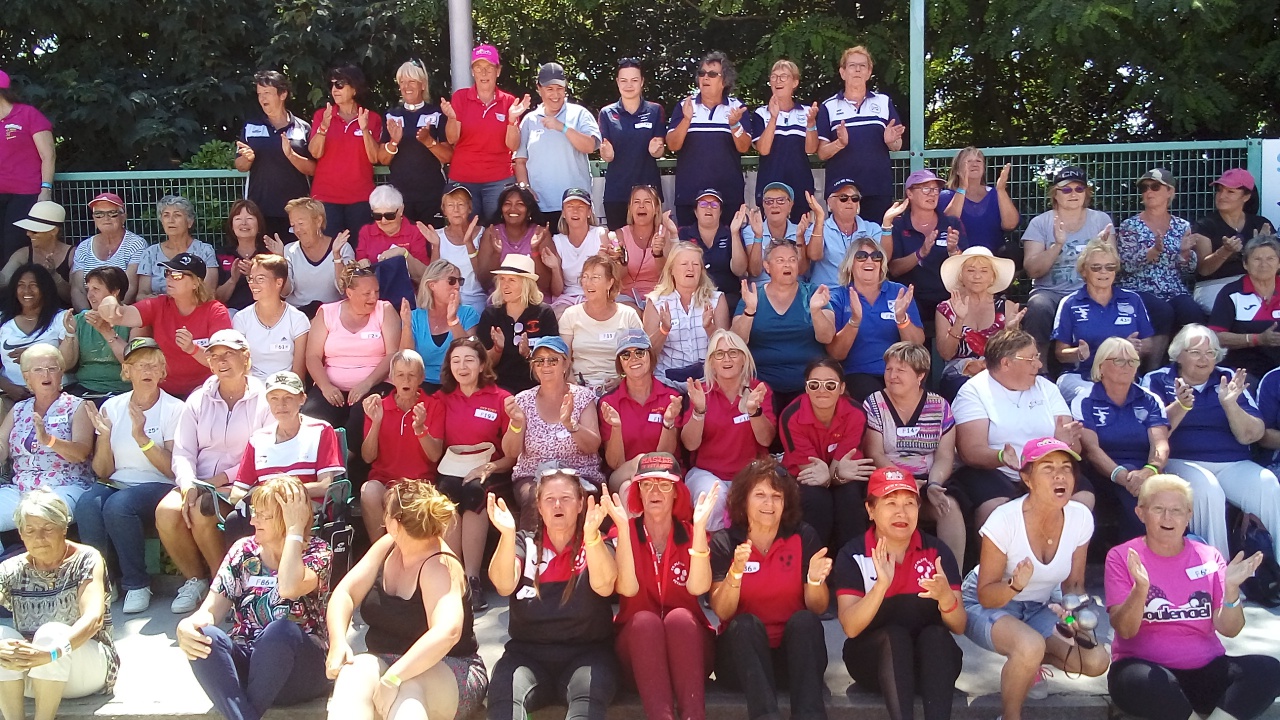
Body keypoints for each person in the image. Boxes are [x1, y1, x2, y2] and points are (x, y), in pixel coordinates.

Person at [1105, 474, 1280, 720]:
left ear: (1188, 516)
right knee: (1141, 681)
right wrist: (1140, 589)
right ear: (1141, 513)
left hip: (1206, 670)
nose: (1168, 518)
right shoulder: (1122, 556)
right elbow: (1125, 630)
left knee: (1269, 669)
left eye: (1177, 510)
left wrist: (1231, 590)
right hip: (1146, 670)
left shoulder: (1209, 556)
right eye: (1159, 509)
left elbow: (1230, 630)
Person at [961, 437, 1110, 720]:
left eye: (1066, 468)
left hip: (1040, 605)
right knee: (1029, 645)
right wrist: (1016, 584)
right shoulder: (1004, 520)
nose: (1060, 475)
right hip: (989, 604)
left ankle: (1027, 666)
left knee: (1094, 659)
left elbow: (1074, 586)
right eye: (1048, 468)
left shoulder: (1080, 516)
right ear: (1026, 478)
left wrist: (1074, 618)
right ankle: (1010, 716)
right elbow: (986, 594)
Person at [326, 480, 487, 720]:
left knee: (409, 690)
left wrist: (394, 677)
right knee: (352, 675)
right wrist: (338, 642)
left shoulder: (440, 565)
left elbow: (447, 632)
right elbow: (345, 592)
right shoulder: (388, 545)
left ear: (394, 523)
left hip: (450, 667)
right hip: (386, 660)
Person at [177, 476, 332, 720]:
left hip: (300, 669)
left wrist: (294, 532)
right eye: (253, 512)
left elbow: (289, 587)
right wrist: (188, 626)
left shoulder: (317, 552)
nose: (252, 521)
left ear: (290, 517)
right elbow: (211, 610)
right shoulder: (243, 551)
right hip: (252, 664)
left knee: (280, 631)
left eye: (263, 515)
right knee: (205, 637)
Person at [832, 466, 965, 720]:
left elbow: (959, 626)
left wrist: (946, 598)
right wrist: (880, 586)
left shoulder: (937, 552)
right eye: (890, 502)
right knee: (894, 637)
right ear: (871, 510)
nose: (901, 512)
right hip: (873, 663)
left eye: (909, 503)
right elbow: (850, 627)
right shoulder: (854, 554)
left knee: (937, 636)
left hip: (931, 665)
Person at [485, 470, 619, 720]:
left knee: (586, 705)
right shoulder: (523, 543)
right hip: (526, 654)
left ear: (580, 504)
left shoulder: (596, 542)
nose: (558, 505)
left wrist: (591, 538)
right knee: (503, 697)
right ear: (538, 505)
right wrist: (506, 535)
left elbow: (605, 586)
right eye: (549, 499)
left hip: (588, 654)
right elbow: (503, 585)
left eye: (566, 498)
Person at [1143, 323, 1280, 560]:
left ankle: (1276, 569)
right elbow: (1148, 432)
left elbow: (1252, 434)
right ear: (1178, 355)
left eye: (1210, 353)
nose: (1204, 359)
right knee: (1207, 490)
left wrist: (1230, 405)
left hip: (1232, 462)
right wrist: (1181, 406)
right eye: (1195, 352)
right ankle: (1219, 574)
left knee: (1267, 484)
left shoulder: (1229, 379)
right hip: (1180, 460)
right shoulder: (1156, 380)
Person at [159, 329, 271, 614]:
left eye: (229, 354)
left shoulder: (264, 397)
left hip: (243, 482)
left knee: (202, 511)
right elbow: (183, 451)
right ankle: (195, 580)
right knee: (167, 511)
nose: (221, 361)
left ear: (245, 358)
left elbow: (263, 450)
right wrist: (188, 485)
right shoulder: (198, 399)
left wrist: (219, 480)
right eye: (214, 355)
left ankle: (221, 588)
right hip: (199, 481)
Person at [709, 457, 830, 720]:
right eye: (760, 495)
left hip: (794, 662)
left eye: (776, 496)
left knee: (805, 621)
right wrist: (735, 573)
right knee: (744, 624)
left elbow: (818, 607)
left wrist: (814, 581)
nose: (769, 503)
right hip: (743, 662)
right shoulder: (725, 542)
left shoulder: (803, 536)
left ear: (786, 502)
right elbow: (722, 610)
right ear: (744, 500)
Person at [75, 338, 185, 614]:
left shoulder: (175, 409)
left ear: (163, 371)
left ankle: (137, 584)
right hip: (118, 482)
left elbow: (174, 469)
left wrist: (141, 437)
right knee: (88, 503)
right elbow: (103, 471)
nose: (146, 370)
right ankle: (103, 582)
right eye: (139, 365)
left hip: (159, 485)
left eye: (153, 364)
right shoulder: (111, 408)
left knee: (119, 505)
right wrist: (105, 437)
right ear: (126, 371)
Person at [610, 453, 717, 720]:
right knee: (645, 621)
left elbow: (698, 588)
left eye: (664, 485)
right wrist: (623, 532)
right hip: (639, 649)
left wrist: (701, 527)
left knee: (680, 617)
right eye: (647, 485)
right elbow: (627, 589)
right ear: (638, 492)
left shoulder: (693, 534)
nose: (655, 491)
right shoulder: (621, 533)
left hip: (689, 647)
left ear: (677, 494)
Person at [952, 328, 1088, 530]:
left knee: (1082, 497)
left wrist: (1062, 444)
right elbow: (970, 452)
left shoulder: (1046, 388)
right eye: (1031, 358)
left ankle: (1062, 558)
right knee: (996, 507)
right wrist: (1000, 457)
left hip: (1046, 467)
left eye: (1038, 357)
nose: (1039, 365)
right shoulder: (974, 391)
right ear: (1006, 363)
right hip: (994, 471)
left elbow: (1074, 447)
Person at [0, 489, 117, 712]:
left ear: (64, 529)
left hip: (85, 670)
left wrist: (51, 653)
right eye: (30, 531)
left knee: (51, 633)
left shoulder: (86, 558)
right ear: (21, 535)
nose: (39, 539)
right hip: (33, 669)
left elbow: (94, 618)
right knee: (3, 640)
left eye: (47, 529)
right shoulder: (11, 568)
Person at [421, 338, 515, 609]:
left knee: (474, 490)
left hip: (494, 470)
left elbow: (512, 455)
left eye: (469, 360)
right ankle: (454, 576)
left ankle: (472, 578)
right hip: (452, 469)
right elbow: (436, 450)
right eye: (456, 360)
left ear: (482, 364)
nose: (462, 366)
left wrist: (491, 467)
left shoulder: (501, 398)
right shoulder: (441, 399)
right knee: (448, 492)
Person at [862, 343, 966, 564]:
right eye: (889, 369)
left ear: (920, 375)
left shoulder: (940, 407)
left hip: (929, 481)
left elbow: (945, 456)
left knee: (949, 507)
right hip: (889, 479)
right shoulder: (874, 403)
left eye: (901, 370)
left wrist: (934, 485)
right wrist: (906, 483)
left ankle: (952, 578)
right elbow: (875, 453)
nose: (892, 376)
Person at [1073, 337, 1170, 541]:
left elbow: (1160, 444)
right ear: (1101, 366)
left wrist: (1149, 470)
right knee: (1136, 493)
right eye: (1119, 360)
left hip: (1144, 472)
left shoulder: (1150, 399)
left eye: (1132, 361)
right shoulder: (1085, 398)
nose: (1127, 366)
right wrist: (1124, 476)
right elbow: (1092, 449)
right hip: (1102, 472)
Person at [97, 252, 233, 398]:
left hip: (205, 390)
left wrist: (192, 349)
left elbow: (221, 360)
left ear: (196, 283)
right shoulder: (159, 304)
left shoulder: (215, 311)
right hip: (163, 392)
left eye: (177, 275)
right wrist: (109, 301)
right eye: (167, 273)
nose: (169, 278)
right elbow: (121, 315)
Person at [502, 337, 603, 529]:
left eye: (552, 360)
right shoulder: (523, 400)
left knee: (572, 496)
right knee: (537, 496)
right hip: (532, 475)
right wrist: (516, 423)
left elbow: (592, 446)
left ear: (565, 363)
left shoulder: (582, 397)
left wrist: (570, 424)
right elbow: (511, 452)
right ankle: (532, 553)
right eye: (539, 361)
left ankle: (579, 554)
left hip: (579, 474)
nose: (545, 365)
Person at [681, 330, 775, 530]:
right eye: (719, 354)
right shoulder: (701, 392)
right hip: (708, 473)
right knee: (715, 499)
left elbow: (767, 440)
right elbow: (690, 444)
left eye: (733, 352)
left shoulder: (759, 389)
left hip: (750, 473)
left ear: (744, 358)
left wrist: (753, 411)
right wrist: (699, 410)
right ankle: (715, 554)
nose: (727, 359)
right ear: (711, 362)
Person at [1020, 166, 1115, 358]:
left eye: (1079, 189)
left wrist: (1097, 249)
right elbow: (1032, 270)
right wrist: (1058, 244)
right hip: (1050, 291)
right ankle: (1039, 369)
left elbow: (1112, 265)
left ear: (1086, 193)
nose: (1073, 194)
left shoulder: (1100, 220)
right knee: (1038, 307)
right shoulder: (1040, 223)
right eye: (1066, 189)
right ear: (1056, 194)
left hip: (1090, 289)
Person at [779, 357, 873, 550]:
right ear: (806, 387)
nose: (822, 390)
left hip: (842, 473)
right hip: (804, 476)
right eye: (814, 385)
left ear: (841, 388)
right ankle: (813, 566)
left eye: (830, 385)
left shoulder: (855, 413)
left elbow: (839, 469)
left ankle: (852, 564)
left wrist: (834, 476)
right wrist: (835, 475)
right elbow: (814, 474)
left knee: (849, 497)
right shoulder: (791, 416)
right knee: (816, 499)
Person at [732, 241, 835, 411]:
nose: (787, 264)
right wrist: (750, 310)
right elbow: (737, 341)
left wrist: (816, 311)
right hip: (761, 384)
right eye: (780, 260)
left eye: (792, 260)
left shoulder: (813, 292)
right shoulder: (752, 295)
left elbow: (827, 337)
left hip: (808, 383)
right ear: (767, 266)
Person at [0, 344, 94, 526]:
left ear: (61, 374)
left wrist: (49, 440)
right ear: (27, 378)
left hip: (64, 486)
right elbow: (2, 445)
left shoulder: (77, 406)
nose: (46, 375)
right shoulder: (19, 409)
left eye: (52, 369)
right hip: (21, 488)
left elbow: (80, 453)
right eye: (38, 370)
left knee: (39, 515)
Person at [1116, 168, 1203, 366]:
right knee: (1162, 311)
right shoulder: (1130, 225)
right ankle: (1152, 371)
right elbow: (1124, 265)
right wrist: (1151, 253)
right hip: (1138, 288)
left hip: (1173, 289)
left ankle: (1189, 369)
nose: (1149, 192)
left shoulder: (1182, 226)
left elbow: (1189, 270)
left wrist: (1185, 253)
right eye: (1144, 188)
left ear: (1170, 192)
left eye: (1155, 187)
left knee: (1193, 313)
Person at [1051, 238, 1155, 402]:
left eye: (1110, 267)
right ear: (1084, 271)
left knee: (1147, 399)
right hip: (1080, 376)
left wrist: (1131, 350)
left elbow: (1148, 344)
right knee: (1094, 396)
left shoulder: (1132, 299)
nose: (1103, 272)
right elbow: (1060, 353)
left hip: (1123, 374)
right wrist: (1078, 353)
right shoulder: (1070, 303)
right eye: (1096, 267)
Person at [302, 267, 398, 441]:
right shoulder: (327, 312)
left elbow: (393, 354)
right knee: (311, 417)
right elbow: (312, 356)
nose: (374, 298)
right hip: (331, 386)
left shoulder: (385, 309)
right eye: (367, 293)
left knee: (362, 415)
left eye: (376, 291)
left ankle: (346, 461)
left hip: (375, 384)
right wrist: (325, 386)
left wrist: (367, 384)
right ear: (349, 292)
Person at [825, 238, 925, 401]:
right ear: (850, 263)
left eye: (876, 256)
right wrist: (855, 321)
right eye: (862, 256)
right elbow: (836, 353)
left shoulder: (899, 292)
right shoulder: (838, 297)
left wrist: (902, 319)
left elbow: (916, 344)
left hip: (900, 372)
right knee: (876, 399)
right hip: (858, 374)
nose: (869, 261)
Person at [442, 45, 530, 222]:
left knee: (497, 230)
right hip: (463, 178)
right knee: (465, 230)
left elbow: (512, 146)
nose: (483, 73)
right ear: (472, 71)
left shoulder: (509, 102)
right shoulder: (460, 97)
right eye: (478, 68)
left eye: (489, 68)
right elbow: (452, 139)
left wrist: (512, 120)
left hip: (498, 179)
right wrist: (452, 118)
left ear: (498, 71)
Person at [817, 46, 904, 224]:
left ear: (869, 72)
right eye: (852, 65)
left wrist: (891, 142)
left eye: (862, 66)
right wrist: (839, 144)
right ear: (842, 72)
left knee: (877, 245)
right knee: (843, 248)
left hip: (878, 188)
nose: (857, 70)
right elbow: (822, 153)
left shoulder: (883, 102)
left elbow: (897, 145)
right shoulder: (828, 106)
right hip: (842, 192)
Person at [232, 371, 343, 507]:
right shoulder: (258, 438)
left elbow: (325, 486)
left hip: (305, 508)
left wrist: (276, 494)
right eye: (274, 398)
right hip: (264, 511)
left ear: (302, 399)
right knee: (233, 521)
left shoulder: (321, 430)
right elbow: (239, 489)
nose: (281, 404)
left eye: (288, 397)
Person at [666, 52, 751, 225]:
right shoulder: (684, 106)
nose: (705, 77)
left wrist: (734, 125)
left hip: (728, 197)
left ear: (724, 81)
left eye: (712, 74)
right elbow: (672, 145)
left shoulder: (737, 107)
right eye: (702, 73)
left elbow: (744, 147)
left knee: (729, 250)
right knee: (690, 250)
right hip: (689, 197)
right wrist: (686, 120)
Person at [360, 350, 435, 541]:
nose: (406, 380)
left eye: (412, 375)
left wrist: (420, 428)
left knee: (414, 501)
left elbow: (435, 456)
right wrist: (376, 422)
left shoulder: (434, 405)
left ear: (421, 378)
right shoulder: (378, 406)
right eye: (400, 375)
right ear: (392, 377)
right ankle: (380, 557)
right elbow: (368, 457)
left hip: (420, 483)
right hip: (384, 482)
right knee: (369, 491)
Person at [515, 63, 601, 229]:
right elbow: (520, 161)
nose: (555, 94)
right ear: (539, 89)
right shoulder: (529, 120)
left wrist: (562, 127)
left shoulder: (579, 114)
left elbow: (590, 146)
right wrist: (524, 189)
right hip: (540, 207)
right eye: (549, 89)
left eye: (559, 88)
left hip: (576, 206)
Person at [598, 330, 682, 492]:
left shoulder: (671, 397)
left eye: (639, 352)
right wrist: (616, 427)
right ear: (620, 363)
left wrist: (668, 422)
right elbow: (616, 464)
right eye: (625, 355)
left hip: (665, 475)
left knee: (629, 488)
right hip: (623, 474)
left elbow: (665, 456)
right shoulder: (608, 402)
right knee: (630, 480)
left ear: (650, 356)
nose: (633, 359)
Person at [235, 71, 316, 239]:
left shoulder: (303, 127)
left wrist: (291, 155)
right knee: (264, 261)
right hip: (259, 209)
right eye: (259, 94)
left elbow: (313, 169)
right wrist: (247, 159)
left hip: (296, 210)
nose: (262, 99)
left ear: (283, 94)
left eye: (267, 93)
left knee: (293, 259)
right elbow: (240, 166)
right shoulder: (250, 126)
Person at [644, 241, 732, 390]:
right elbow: (648, 354)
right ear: (671, 269)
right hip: (667, 381)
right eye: (684, 264)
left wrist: (710, 328)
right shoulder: (656, 301)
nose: (690, 269)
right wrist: (664, 330)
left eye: (695, 264)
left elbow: (726, 350)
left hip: (708, 380)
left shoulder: (716, 299)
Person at [935, 246, 1020, 399]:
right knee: (967, 390)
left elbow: (1015, 353)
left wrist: (1011, 331)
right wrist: (959, 320)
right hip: (959, 375)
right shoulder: (945, 308)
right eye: (971, 270)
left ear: (992, 277)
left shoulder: (1006, 307)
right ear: (961, 275)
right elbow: (946, 354)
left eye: (984, 271)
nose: (977, 276)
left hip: (997, 371)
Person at [308, 64, 382, 240]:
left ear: (354, 88)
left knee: (360, 251)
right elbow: (315, 153)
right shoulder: (322, 115)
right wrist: (323, 128)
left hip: (360, 198)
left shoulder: (372, 118)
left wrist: (364, 130)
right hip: (326, 197)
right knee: (330, 252)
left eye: (340, 84)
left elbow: (374, 157)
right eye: (332, 85)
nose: (334, 89)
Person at [376, 60, 453, 225]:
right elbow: (382, 158)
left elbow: (447, 156)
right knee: (404, 243)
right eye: (402, 82)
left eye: (411, 81)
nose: (406, 86)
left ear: (423, 85)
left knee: (431, 242)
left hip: (431, 193)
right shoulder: (392, 115)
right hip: (400, 195)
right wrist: (394, 143)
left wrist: (429, 141)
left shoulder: (437, 113)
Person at [887, 169, 967, 319]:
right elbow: (894, 269)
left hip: (948, 298)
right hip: (911, 299)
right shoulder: (898, 225)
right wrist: (920, 253)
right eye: (926, 189)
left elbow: (967, 267)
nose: (933, 193)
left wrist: (953, 251)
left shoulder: (951, 223)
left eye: (936, 189)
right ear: (909, 193)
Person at [1192, 168, 1274, 312]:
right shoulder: (1205, 225)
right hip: (1214, 286)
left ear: (1246, 196)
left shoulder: (1261, 224)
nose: (1222, 196)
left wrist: (1262, 248)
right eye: (1219, 190)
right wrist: (1224, 252)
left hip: (1258, 284)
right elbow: (1204, 270)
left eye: (1230, 192)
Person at [598, 59, 666, 229]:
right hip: (617, 194)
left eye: (634, 80)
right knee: (617, 248)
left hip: (648, 194)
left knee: (653, 246)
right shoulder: (606, 113)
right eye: (624, 80)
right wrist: (606, 154)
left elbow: (660, 149)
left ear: (642, 81)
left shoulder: (655, 110)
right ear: (617, 82)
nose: (629, 85)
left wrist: (656, 150)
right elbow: (605, 151)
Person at [476, 254, 559, 395]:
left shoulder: (544, 313)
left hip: (536, 387)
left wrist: (529, 355)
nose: (505, 285)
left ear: (526, 284)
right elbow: (482, 365)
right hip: (498, 388)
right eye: (502, 279)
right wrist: (497, 349)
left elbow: (553, 359)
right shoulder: (491, 315)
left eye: (512, 280)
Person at [559, 255, 642, 389]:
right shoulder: (570, 314)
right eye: (585, 277)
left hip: (620, 387)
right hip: (580, 386)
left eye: (595, 278)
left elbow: (640, 356)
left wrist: (621, 380)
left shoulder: (628, 315)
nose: (588, 283)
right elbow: (563, 358)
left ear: (609, 283)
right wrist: (572, 383)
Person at [1207, 234, 1280, 383]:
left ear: (1279, 264)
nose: (1264, 264)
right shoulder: (1232, 292)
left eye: (1270, 258)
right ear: (1245, 264)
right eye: (1257, 259)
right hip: (1243, 372)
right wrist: (1256, 339)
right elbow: (1215, 337)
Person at [0, 70, 55, 265]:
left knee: (15, 249)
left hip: (25, 194)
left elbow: (48, 155)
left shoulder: (28, 114)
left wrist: (46, 190)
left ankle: (13, 294)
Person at [752, 60, 817, 223]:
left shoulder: (807, 111)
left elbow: (811, 149)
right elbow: (764, 149)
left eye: (783, 76)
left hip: (800, 185)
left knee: (800, 237)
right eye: (773, 77)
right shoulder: (761, 113)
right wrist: (773, 117)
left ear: (795, 82)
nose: (777, 81)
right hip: (770, 185)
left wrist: (810, 125)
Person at [402, 259, 479, 388]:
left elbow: (470, 352)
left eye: (459, 281)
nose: (457, 286)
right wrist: (407, 326)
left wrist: (453, 320)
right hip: (422, 385)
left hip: (457, 383)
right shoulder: (414, 317)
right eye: (451, 281)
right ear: (432, 285)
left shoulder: (468, 313)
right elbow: (405, 359)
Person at [233, 254, 310, 381]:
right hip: (252, 387)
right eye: (251, 279)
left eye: (260, 279)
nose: (253, 284)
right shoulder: (241, 318)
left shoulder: (298, 319)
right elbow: (241, 365)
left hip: (286, 388)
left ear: (279, 282)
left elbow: (298, 372)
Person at [273, 197, 354, 315]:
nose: (297, 230)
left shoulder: (342, 247)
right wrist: (280, 261)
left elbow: (344, 290)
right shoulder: (288, 250)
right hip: (297, 315)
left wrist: (337, 256)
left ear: (318, 221)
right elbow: (285, 292)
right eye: (293, 225)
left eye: (301, 223)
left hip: (332, 314)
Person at [0, 265, 69, 402]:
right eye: (21, 285)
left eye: (33, 285)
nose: (26, 291)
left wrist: (34, 355)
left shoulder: (62, 318)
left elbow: (72, 362)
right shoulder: (2, 320)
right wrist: (9, 387)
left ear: (45, 289)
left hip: (56, 395)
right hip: (9, 395)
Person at [60, 266, 131, 399]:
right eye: (88, 290)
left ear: (115, 292)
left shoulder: (134, 319)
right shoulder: (79, 320)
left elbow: (133, 362)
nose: (89, 295)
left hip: (122, 392)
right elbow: (65, 365)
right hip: (84, 390)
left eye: (96, 289)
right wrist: (70, 334)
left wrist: (106, 332)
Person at [71, 192, 145, 311]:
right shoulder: (84, 247)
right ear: (93, 218)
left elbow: (130, 287)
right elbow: (77, 289)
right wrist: (85, 315)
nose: (106, 218)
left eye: (112, 213)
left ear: (123, 216)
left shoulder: (136, 244)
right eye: (99, 214)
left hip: (121, 313)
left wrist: (111, 314)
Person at [676, 189, 747, 311]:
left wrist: (734, 233)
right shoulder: (683, 234)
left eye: (714, 205)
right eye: (703, 204)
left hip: (727, 297)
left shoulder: (730, 234)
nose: (709, 208)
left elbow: (740, 270)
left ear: (720, 212)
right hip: (692, 296)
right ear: (695, 211)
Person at [939, 147, 1019, 254]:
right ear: (957, 170)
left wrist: (1001, 190)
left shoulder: (996, 194)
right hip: (958, 257)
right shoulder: (946, 196)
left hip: (992, 260)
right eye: (968, 161)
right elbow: (949, 223)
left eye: (978, 161)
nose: (975, 164)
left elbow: (1010, 225)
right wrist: (962, 187)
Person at [137, 195, 219, 299]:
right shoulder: (150, 253)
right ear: (162, 222)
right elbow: (141, 295)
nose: (171, 220)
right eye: (166, 215)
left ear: (189, 222)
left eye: (177, 215)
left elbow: (208, 292)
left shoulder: (205, 251)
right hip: (159, 310)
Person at [809, 179, 884, 288]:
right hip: (827, 293)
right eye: (843, 198)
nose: (850, 202)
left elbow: (885, 258)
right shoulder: (818, 228)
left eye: (854, 198)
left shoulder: (872, 228)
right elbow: (814, 256)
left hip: (861, 293)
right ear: (830, 202)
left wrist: (887, 225)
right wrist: (819, 218)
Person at [541, 188, 607, 309]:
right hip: (567, 298)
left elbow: (609, 278)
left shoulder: (600, 234)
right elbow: (557, 291)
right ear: (563, 213)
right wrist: (555, 268)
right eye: (570, 206)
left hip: (597, 294)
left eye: (581, 207)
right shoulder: (557, 240)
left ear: (589, 212)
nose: (575, 211)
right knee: (559, 317)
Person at [427, 184, 488, 314]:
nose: (456, 210)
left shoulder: (484, 234)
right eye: (450, 205)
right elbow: (433, 277)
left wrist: (469, 243)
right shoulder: (436, 236)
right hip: (444, 301)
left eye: (461, 204)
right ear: (444, 210)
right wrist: (436, 246)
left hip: (475, 301)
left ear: (470, 208)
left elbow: (483, 277)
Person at [741, 182, 818, 283]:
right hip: (762, 289)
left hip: (795, 289)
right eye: (769, 201)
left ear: (790, 205)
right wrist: (758, 236)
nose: (774, 205)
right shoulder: (750, 230)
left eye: (781, 200)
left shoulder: (803, 230)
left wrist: (800, 238)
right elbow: (755, 272)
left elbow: (802, 270)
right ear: (763, 205)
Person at [474, 184, 547, 289]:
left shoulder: (540, 233)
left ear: (529, 211)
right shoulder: (492, 233)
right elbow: (484, 282)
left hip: (535, 300)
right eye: (507, 204)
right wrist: (496, 254)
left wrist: (535, 250)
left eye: (520, 204)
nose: (513, 209)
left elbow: (545, 285)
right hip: (501, 301)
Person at [356, 185, 430, 283]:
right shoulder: (366, 232)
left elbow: (424, 276)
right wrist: (362, 266)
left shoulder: (415, 231)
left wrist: (405, 255)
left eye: (389, 215)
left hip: (408, 291)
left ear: (401, 210)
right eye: (377, 216)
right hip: (376, 291)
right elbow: (357, 275)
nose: (383, 221)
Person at [610, 185, 670, 306]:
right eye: (636, 202)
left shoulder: (664, 233)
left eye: (647, 202)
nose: (641, 206)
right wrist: (621, 261)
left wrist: (658, 254)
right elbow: (618, 277)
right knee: (632, 315)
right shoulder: (620, 234)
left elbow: (666, 274)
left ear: (656, 209)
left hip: (658, 294)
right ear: (630, 209)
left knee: (653, 315)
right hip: (626, 295)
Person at [5, 200, 72, 305]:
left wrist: (55, 276)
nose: (28, 234)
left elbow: (74, 296)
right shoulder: (23, 254)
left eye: (34, 231)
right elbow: (4, 279)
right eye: (28, 229)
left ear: (54, 231)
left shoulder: (73, 255)